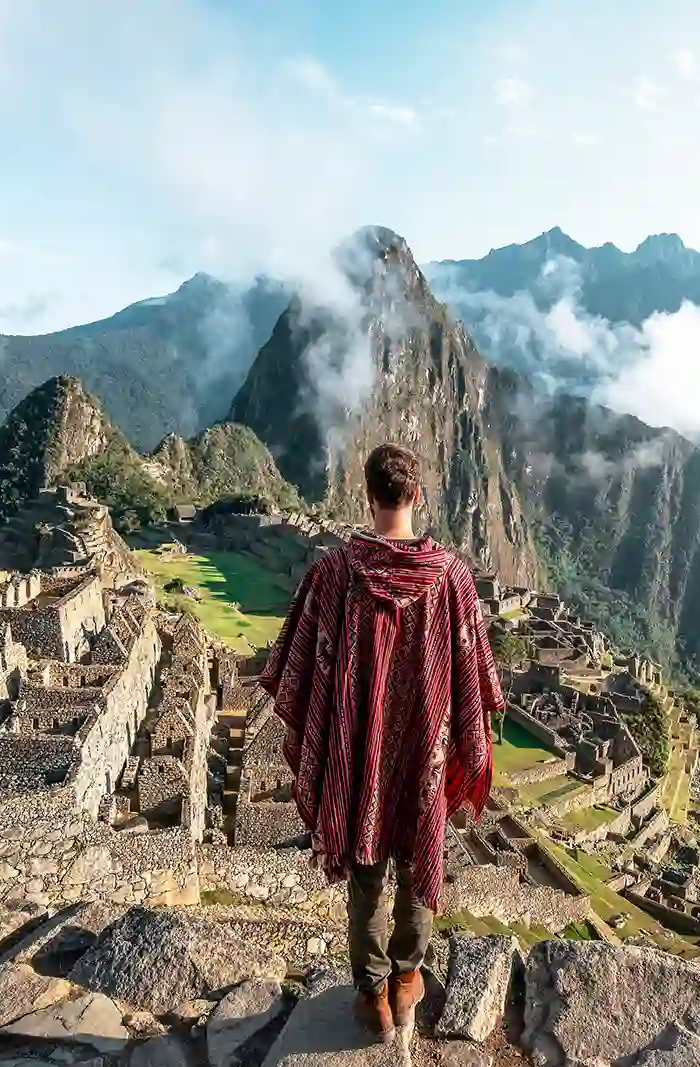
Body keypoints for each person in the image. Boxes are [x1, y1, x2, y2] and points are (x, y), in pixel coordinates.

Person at [259, 443, 502, 1041]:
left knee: (365, 873)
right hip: (425, 751)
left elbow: (298, 671)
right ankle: (406, 976)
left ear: (367, 496)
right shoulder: (452, 581)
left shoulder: (333, 573)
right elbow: (473, 679)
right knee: (422, 857)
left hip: (354, 755)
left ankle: (372, 995)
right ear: (416, 496)